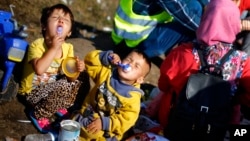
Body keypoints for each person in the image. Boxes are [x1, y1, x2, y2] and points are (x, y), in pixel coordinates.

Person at [153, 0, 250, 132]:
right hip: (215, 129)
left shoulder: (182, 53)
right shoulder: (243, 62)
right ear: (234, 24)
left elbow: (162, 85)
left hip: (176, 122)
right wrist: (233, 98)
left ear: (205, 19)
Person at [17, 4, 87, 132]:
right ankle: (38, 113)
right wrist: (54, 48)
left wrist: (77, 69)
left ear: (69, 32)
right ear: (44, 26)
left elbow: (71, 79)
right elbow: (39, 69)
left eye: (65, 20)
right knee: (63, 85)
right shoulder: (37, 45)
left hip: (52, 89)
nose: (60, 20)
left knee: (82, 74)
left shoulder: (68, 48)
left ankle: (57, 103)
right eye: (55, 17)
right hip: (32, 94)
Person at [71, 49, 151, 140]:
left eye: (136, 66)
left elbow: (126, 120)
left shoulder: (132, 97)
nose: (130, 64)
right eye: (129, 59)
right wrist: (106, 57)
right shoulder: (107, 73)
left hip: (105, 132)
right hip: (84, 117)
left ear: (140, 79)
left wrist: (105, 123)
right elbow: (89, 63)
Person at [111, 0, 197, 59]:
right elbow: (186, 16)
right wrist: (207, 29)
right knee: (190, 24)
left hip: (124, 34)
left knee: (196, 4)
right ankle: (177, 67)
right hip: (130, 42)